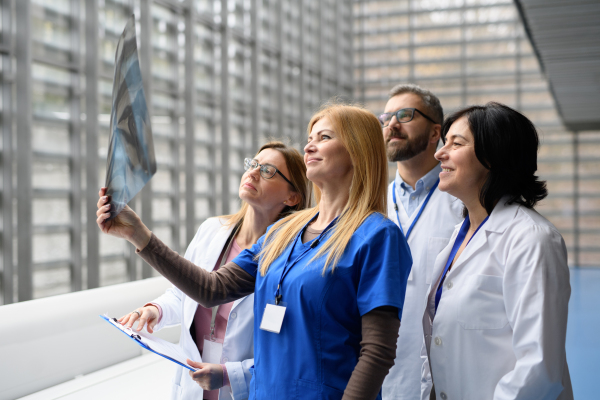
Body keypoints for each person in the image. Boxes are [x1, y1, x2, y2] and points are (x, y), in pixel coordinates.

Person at [97, 103, 412, 400]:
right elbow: (212, 288)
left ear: (358, 153)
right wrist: (139, 234)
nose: (309, 146)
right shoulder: (282, 232)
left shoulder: (378, 237)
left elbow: (377, 352)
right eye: (309, 138)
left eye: (324, 138)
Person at [110, 141, 310, 400]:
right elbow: (184, 293)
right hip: (192, 387)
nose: (252, 173)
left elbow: (288, 355)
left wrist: (232, 375)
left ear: (291, 197)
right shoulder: (212, 231)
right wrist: (155, 310)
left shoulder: (290, 258)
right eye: (253, 164)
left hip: (244, 392)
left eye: (268, 171)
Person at [421, 102, 573, 400]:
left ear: (493, 156)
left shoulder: (531, 239)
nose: (440, 153)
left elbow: (539, 370)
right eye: (444, 142)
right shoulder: (457, 238)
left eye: (457, 143)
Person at [378, 84, 463, 400]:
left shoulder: (461, 204)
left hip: (445, 369)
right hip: (381, 370)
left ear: (434, 133)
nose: (392, 124)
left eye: (405, 115)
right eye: (387, 117)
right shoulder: (371, 204)